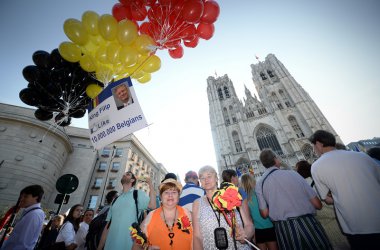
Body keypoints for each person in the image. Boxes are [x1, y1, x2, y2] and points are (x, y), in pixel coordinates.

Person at [309, 130, 380, 249]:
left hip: (356, 226)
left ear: (319, 144)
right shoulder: (362, 156)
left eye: (313, 146)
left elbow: (326, 199)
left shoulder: (317, 166)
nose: (314, 150)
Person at [255, 149, 331, 250]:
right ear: (275, 160)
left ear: (263, 164)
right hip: (307, 224)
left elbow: (264, 214)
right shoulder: (293, 174)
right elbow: (318, 204)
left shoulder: (259, 184)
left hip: (284, 230)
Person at [193, 166, 254, 249]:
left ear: (216, 178)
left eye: (209, 176)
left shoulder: (232, 194)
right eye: (202, 178)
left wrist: (245, 235)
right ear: (200, 182)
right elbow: (197, 236)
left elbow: (249, 224)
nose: (206, 180)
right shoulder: (197, 203)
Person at [295, 160, 350, 249]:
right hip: (339, 216)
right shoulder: (320, 179)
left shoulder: (305, 185)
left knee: (338, 244)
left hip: (326, 222)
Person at [97, 171, 156, 250]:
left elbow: (153, 206)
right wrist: (99, 247)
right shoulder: (115, 200)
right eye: (124, 174)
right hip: (109, 246)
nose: (124, 174)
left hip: (129, 246)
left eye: (127, 174)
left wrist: (150, 184)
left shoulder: (137, 194)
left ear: (132, 180)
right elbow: (107, 227)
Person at [132, 178, 192, 249]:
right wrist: (147, 248)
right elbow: (136, 245)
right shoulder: (151, 215)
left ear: (178, 196)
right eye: (166, 192)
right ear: (160, 196)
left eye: (174, 192)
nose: (170, 195)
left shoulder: (188, 214)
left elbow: (197, 240)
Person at [1, 185, 45, 250]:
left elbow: (23, 245)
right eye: (21, 197)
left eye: (25, 196)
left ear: (36, 197)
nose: (21, 199)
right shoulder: (33, 212)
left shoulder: (34, 214)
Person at [240, 174, 278, 250]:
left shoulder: (245, 198)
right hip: (269, 226)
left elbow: (249, 217)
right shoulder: (260, 192)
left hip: (257, 229)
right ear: (252, 181)